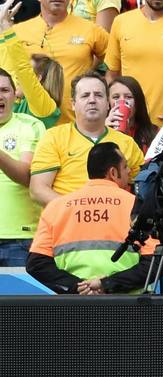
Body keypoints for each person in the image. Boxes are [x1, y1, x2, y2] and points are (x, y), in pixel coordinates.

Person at [26, 142, 152, 294]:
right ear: (113, 172)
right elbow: (153, 262)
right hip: (129, 305)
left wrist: (77, 287)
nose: (129, 171)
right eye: (125, 167)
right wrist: (107, 284)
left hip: (76, 306)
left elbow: (37, 263)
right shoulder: (138, 206)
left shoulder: (56, 207)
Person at [12, 0, 107, 123]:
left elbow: (117, 63)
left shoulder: (91, 30)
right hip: (28, 128)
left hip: (76, 126)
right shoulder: (18, 32)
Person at [28, 74, 144, 205]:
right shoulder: (54, 137)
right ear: (73, 104)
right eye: (85, 95)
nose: (92, 100)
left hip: (114, 220)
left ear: (107, 104)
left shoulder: (127, 143)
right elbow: (38, 189)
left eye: (99, 95)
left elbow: (144, 188)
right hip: (68, 220)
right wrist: (77, 210)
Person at [0, 64, 45, 265]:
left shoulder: (30, 125)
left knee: (19, 297)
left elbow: (28, 177)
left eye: (5, 90)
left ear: (14, 96)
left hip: (19, 238)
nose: (0, 96)